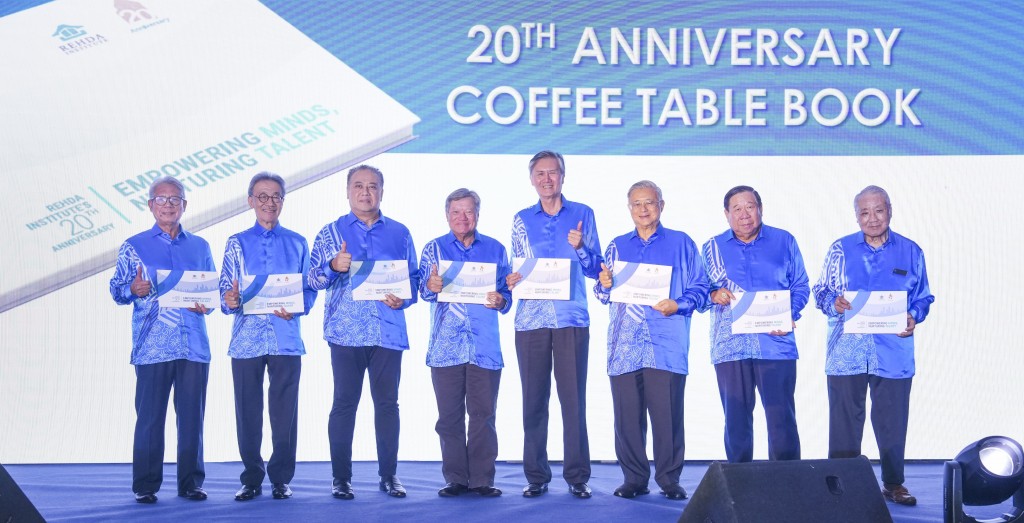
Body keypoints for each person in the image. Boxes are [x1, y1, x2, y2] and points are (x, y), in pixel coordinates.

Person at [812, 185, 934, 506]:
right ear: (856, 216)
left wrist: (913, 315)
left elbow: (923, 296)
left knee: (892, 422)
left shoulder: (911, 251)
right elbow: (821, 291)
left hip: (893, 353)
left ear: (889, 210)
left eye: (878, 210)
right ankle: (840, 487)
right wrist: (832, 302)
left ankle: (893, 484)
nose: (872, 218)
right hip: (846, 352)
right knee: (843, 424)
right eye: (864, 212)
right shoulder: (840, 250)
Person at [308, 164, 419, 500]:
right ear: (347, 191)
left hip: (388, 332)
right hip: (345, 332)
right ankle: (341, 479)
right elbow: (311, 280)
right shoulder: (330, 232)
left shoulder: (399, 233)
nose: (365, 192)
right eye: (358, 186)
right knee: (344, 404)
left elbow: (414, 279)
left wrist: (405, 297)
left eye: (373, 186)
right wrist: (332, 266)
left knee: (388, 405)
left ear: (382, 191)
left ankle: (389, 476)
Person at [594, 180, 708, 501]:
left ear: (661, 205)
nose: (643, 210)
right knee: (627, 417)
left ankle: (669, 479)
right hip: (624, 345)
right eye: (637, 204)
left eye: (650, 203)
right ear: (629, 208)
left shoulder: (682, 244)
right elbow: (604, 294)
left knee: (667, 415)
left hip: (666, 344)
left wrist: (678, 304)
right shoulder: (617, 246)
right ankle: (634, 478)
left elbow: (701, 288)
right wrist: (603, 283)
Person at [108, 176, 215, 504]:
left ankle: (191, 483)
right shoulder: (134, 245)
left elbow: (211, 298)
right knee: (150, 419)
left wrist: (206, 302)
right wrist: (132, 290)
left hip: (193, 346)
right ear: (150, 205)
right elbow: (116, 290)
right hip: (152, 346)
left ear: (185, 205)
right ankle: (145, 485)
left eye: (175, 199)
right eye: (162, 199)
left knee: (192, 419)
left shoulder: (200, 247)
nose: (168, 205)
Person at [506, 151, 603, 499]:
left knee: (572, 401)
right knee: (533, 400)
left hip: (570, 319)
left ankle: (577, 476)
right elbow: (515, 268)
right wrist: (512, 278)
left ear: (563, 176)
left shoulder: (582, 214)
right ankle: (536, 476)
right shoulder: (521, 219)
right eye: (540, 174)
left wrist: (581, 249)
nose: (547, 179)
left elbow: (596, 270)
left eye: (553, 173)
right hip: (530, 320)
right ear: (532, 179)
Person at [220, 172, 317, 501]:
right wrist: (229, 300)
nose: (269, 202)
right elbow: (226, 289)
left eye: (275, 196)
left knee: (284, 412)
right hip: (246, 339)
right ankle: (251, 477)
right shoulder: (236, 242)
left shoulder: (298, 242)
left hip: (286, 337)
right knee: (247, 411)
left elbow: (307, 289)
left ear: (283, 201)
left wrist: (299, 307)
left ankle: (280, 478)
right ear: (250, 202)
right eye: (262, 196)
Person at [700, 186, 809, 463]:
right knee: (736, 419)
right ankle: (739, 484)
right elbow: (698, 292)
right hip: (730, 345)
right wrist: (713, 294)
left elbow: (800, 286)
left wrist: (789, 314)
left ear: (760, 208)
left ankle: (787, 481)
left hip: (775, 343)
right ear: (726, 214)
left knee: (781, 417)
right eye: (736, 209)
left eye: (750, 206)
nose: (744, 214)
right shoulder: (712, 247)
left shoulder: (784, 241)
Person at [418, 188, 512, 498]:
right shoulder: (433, 249)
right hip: (445, 347)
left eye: (468, 211)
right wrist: (431, 286)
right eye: (456, 212)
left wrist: (501, 299)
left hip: (484, 347)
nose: (462, 217)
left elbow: (506, 296)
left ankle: (482, 479)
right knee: (449, 418)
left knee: (484, 416)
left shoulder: (496, 250)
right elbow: (425, 290)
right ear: (447, 216)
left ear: (477, 214)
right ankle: (456, 478)